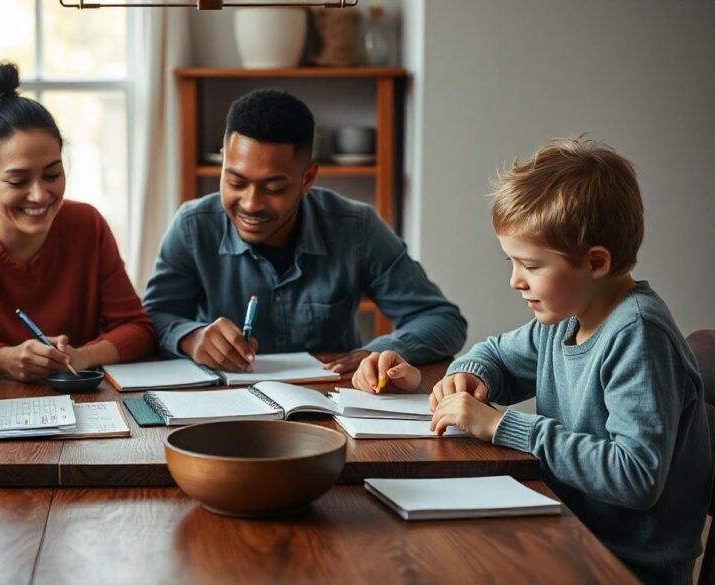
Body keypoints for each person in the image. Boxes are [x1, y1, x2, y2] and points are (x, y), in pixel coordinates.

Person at [353, 137, 711, 585]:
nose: (515, 281)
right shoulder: (564, 320)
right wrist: (467, 376)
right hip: (566, 533)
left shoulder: (639, 336)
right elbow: (496, 354)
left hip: (625, 566)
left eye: (530, 265)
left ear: (595, 262)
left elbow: (635, 475)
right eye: (511, 262)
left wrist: (502, 426)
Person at [143, 88, 466, 374]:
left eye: (273, 187)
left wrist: (376, 352)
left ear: (308, 178)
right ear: (223, 164)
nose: (251, 203)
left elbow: (442, 320)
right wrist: (190, 337)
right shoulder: (192, 226)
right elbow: (153, 319)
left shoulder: (356, 228)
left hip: (331, 406)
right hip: (225, 405)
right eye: (235, 182)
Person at [0, 63, 155, 381]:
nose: (41, 195)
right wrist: (0, 359)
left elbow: (138, 329)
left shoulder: (87, 225)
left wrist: (81, 356)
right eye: (18, 181)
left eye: (53, 174)